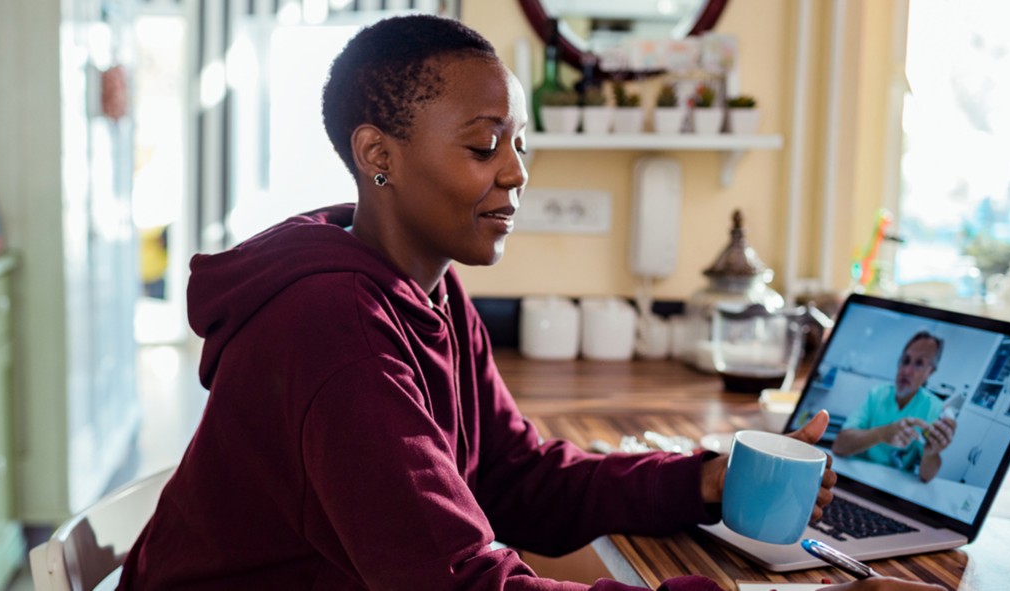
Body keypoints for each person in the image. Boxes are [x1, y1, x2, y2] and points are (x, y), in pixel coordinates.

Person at [116, 14, 945, 591]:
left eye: (520, 142)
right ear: (379, 156)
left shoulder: (428, 290)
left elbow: (514, 477)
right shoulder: (333, 332)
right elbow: (459, 583)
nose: (515, 172)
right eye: (483, 145)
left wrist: (703, 483)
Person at [832, 331, 957, 482]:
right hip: (856, 477)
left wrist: (931, 453)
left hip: (891, 489)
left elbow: (926, 477)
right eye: (905, 360)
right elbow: (839, 446)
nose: (907, 371)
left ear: (930, 372)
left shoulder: (934, 408)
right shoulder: (878, 394)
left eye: (919, 363)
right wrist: (881, 434)